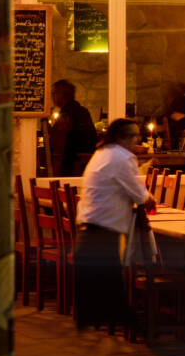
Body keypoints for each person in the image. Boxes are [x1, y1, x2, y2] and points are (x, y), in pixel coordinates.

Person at [74, 118, 154, 334]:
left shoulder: (102, 153)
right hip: (105, 224)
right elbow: (138, 194)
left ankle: (92, 317)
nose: (136, 140)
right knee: (110, 279)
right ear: (121, 137)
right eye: (133, 136)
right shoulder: (123, 158)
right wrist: (149, 199)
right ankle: (129, 322)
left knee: (102, 277)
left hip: (90, 222)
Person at [48, 80, 98, 176]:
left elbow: (59, 145)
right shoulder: (81, 111)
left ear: (61, 95)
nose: (52, 97)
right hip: (86, 164)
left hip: (73, 166)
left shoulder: (67, 115)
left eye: (53, 93)